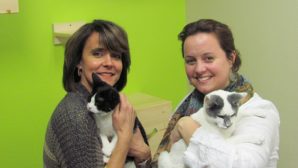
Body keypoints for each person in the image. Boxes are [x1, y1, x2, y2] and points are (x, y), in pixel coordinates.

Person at [152, 19, 280, 168]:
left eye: (209, 58)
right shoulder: (190, 102)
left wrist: (187, 128)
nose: (199, 69)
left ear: (231, 58)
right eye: (191, 61)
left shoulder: (259, 110)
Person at [43, 20, 151, 168]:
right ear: (78, 62)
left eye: (116, 55)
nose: (109, 63)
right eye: (97, 53)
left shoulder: (114, 104)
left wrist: (144, 153)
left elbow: (141, 156)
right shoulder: (75, 117)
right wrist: (124, 139)